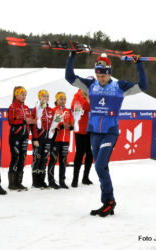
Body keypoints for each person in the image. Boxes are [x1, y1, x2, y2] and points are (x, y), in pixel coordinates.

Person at [65, 52, 148, 216]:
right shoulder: (91, 85)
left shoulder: (120, 86)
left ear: (109, 73)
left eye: (103, 75)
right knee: (102, 167)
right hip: (94, 132)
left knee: (99, 165)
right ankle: (107, 201)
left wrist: (138, 64)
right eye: (98, 75)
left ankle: (109, 201)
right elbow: (70, 77)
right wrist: (71, 56)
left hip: (109, 133)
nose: (100, 78)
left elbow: (143, 86)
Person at [8, 86, 36, 191]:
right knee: (15, 157)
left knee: (22, 158)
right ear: (16, 94)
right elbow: (11, 121)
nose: (24, 96)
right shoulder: (12, 107)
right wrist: (24, 121)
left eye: (25, 95)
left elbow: (30, 121)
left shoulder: (26, 108)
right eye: (22, 94)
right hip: (15, 136)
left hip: (25, 136)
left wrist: (32, 122)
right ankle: (12, 183)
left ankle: (18, 183)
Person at [47, 92, 74, 189]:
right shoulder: (54, 110)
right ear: (56, 100)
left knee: (63, 160)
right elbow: (51, 124)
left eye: (64, 99)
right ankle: (51, 181)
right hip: (56, 139)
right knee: (53, 160)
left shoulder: (68, 111)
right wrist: (61, 126)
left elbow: (71, 122)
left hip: (66, 139)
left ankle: (62, 180)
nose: (63, 101)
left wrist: (71, 126)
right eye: (60, 99)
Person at [31, 90, 54, 189]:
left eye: (47, 96)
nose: (46, 98)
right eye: (44, 96)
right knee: (37, 158)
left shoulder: (51, 110)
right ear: (39, 97)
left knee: (44, 159)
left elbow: (54, 125)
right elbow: (33, 125)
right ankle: (35, 182)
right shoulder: (36, 109)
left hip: (47, 139)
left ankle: (42, 181)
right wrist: (35, 138)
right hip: (38, 138)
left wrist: (52, 133)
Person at [71, 89, 93, 187]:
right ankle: (75, 179)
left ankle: (85, 177)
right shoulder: (77, 96)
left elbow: (96, 107)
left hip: (92, 129)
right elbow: (77, 109)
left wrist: (89, 101)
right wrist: (87, 100)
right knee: (80, 153)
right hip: (80, 130)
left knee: (90, 153)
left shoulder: (94, 94)